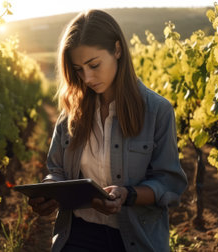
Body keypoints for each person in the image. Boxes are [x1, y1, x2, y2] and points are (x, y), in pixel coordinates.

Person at [28, 9, 187, 252]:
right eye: (79, 69)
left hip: (135, 238)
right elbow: (57, 170)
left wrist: (128, 194)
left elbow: (169, 184)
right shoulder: (71, 112)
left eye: (94, 65)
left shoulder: (158, 111)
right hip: (78, 235)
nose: (88, 78)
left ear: (117, 50)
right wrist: (49, 192)